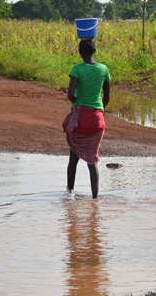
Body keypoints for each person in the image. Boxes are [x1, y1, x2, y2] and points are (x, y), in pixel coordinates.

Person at [63, 39, 111, 198]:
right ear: (94, 51)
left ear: (79, 52)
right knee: (93, 161)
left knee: (73, 159)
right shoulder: (104, 69)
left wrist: (77, 102)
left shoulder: (77, 69)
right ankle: (95, 199)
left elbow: (70, 94)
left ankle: (70, 193)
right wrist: (101, 110)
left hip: (80, 119)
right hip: (97, 119)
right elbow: (107, 96)